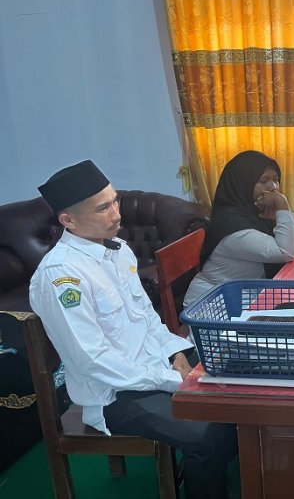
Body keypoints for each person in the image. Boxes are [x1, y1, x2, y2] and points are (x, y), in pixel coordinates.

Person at [29, 160, 237, 499]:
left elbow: (146, 317)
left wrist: (175, 353)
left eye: (114, 201)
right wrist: (171, 379)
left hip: (153, 365)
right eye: (103, 208)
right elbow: (93, 360)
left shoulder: (118, 250)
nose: (116, 214)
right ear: (68, 221)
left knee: (234, 373)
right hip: (115, 393)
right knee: (208, 433)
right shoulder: (61, 276)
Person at [184, 150, 294, 306]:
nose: (273, 187)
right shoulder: (232, 225)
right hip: (211, 305)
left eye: (276, 180)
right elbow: (286, 253)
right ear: (243, 183)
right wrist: (282, 204)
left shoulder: (256, 212)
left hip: (242, 298)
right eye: (264, 180)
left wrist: (283, 214)